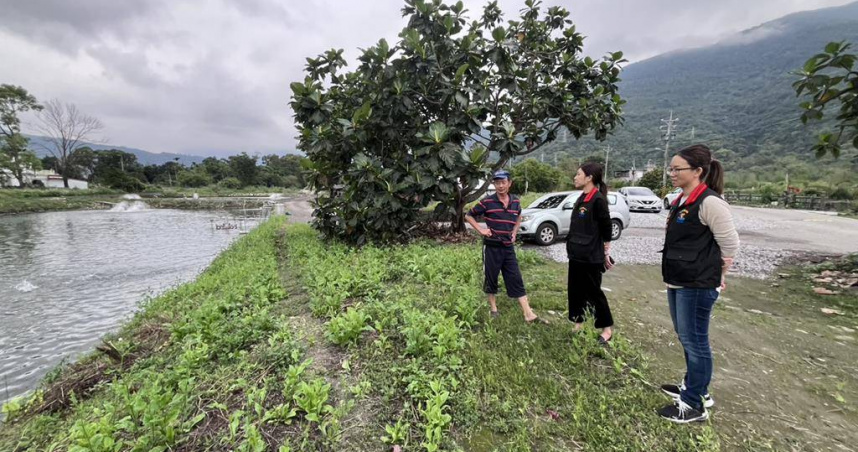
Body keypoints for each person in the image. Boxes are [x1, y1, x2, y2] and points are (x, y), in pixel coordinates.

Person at [657, 144, 739, 423]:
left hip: (697, 283)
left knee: (695, 341)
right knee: (686, 336)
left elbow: (730, 245)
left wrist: (719, 275)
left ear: (698, 171)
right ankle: (696, 388)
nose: (672, 173)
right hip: (679, 279)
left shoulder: (710, 202)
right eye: (671, 169)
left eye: (677, 169)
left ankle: (693, 404)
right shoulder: (682, 199)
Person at [465, 170, 546, 324]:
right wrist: (481, 230)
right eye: (497, 183)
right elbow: (468, 215)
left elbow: (519, 216)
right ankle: (493, 308)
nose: (500, 186)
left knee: (515, 277)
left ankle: (528, 313)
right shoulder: (487, 202)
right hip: (492, 247)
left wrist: (514, 232)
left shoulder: (515, 201)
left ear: (509, 183)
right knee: (491, 277)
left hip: (508, 247)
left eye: (503, 182)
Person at [566, 162, 615, 345]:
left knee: (594, 293)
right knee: (575, 290)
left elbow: (606, 227)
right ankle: (578, 323)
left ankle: (606, 328)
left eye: (578, 174)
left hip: (591, 256)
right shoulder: (582, 197)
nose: (575, 177)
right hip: (576, 253)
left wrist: (606, 251)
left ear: (589, 178)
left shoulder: (598, 199)